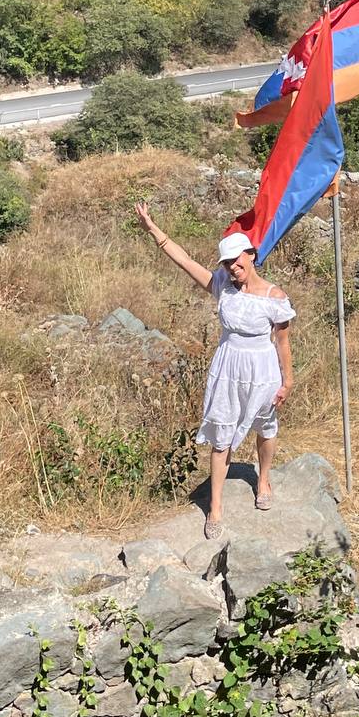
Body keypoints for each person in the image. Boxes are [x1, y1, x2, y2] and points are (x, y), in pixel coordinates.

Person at [134, 202, 295, 538]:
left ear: (251, 255)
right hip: (228, 365)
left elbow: (282, 343)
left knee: (266, 427)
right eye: (227, 262)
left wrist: (287, 382)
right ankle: (216, 508)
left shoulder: (274, 297)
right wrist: (153, 229)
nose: (233, 267)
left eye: (237, 260)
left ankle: (263, 478)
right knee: (221, 436)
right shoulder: (221, 285)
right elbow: (185, 261)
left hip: (262, 368)